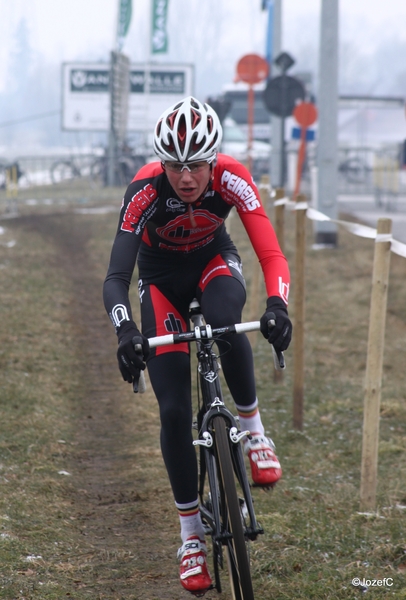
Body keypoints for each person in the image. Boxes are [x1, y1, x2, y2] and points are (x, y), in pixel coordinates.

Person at [103, 96, 292, 595]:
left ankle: (252, 431)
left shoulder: (233, 177)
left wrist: (278, 305)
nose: (186, 177)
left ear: (215, 160)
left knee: (227, 320)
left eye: (197, 165)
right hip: (161, 280)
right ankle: (189, 535)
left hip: (213, 264)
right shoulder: (144, 190)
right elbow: (117, 277)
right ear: (161, 163)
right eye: (175, 166)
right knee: (172, 410)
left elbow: (270, 251)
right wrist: (126, 332)